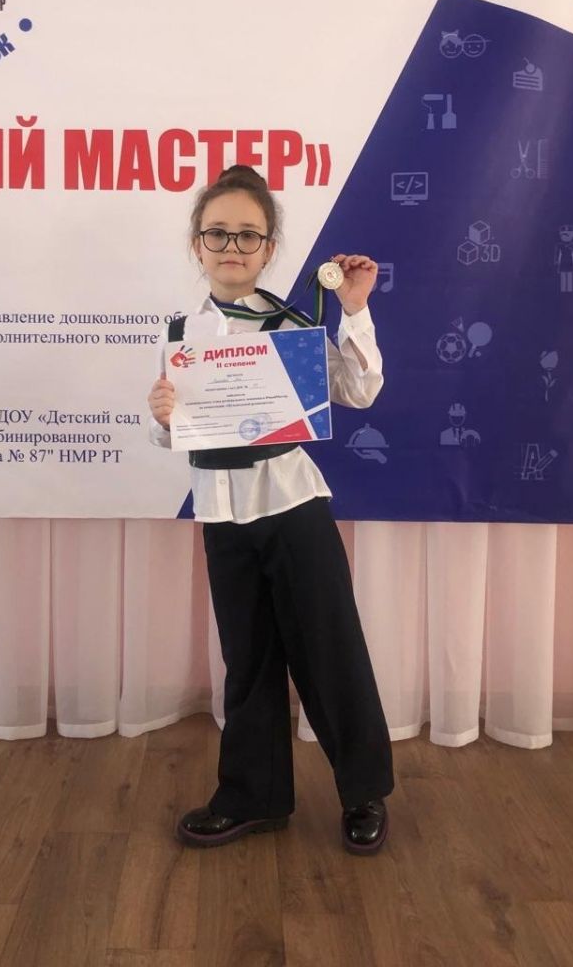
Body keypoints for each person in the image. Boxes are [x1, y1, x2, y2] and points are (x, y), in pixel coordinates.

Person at [147, 164, 394, 855]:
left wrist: (354, 308)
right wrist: (161, 416)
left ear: (269, 248)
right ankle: (253, 796)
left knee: (329, 649)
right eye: (218, 233)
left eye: (248, 235)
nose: (232, 246)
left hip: (292, 507)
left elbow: (361, 392)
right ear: (197, 244)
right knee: (248, 659)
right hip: (222, 515)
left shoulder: (292, 325)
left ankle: (364, 792)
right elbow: (174, 434)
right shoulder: (181, 335)